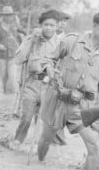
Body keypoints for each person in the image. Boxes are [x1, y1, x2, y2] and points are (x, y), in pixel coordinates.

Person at [37, 11, 99, 170]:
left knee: (93, 144)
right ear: (95, 26)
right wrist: (49, 69)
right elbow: (48, 59)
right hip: (57, 102)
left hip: (80, 108)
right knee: (46, 139)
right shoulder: (71, 41)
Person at [10, 10, 61, 149]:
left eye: (52, 25)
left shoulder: (61, 43)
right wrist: (31, 41)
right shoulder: (31, 40)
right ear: (40, 25)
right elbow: (18, 60)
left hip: (50, 85)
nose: (49, 28)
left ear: (57, 27)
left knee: (44, 119)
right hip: (32, 83)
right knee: (26, 116)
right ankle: (18, 140)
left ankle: (44, 145)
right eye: (46, 24)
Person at [0, 6, 23, 93]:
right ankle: (5, 93)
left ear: (12, 16)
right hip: (1, 56)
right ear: (3, 16)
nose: (8, 17)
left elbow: (23, 35)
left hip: (13, 55)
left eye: (10, 15)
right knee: (4, 77)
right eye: (6, 15)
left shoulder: (15, 25)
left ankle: (12, 95)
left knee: (12, 77)